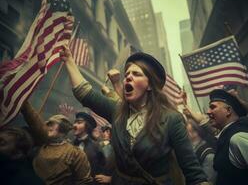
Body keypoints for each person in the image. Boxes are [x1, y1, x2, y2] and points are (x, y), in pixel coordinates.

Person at [61, 46, 208, 185]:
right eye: (127, 75)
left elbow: (193, 172)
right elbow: (84, 93)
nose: (128, 78)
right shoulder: (117, 111)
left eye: (136, 74)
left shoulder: (171, 119)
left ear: (149, 86)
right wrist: (69, 60)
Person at [21, 102, 93, 185]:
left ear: (63, 128)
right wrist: (24, 103)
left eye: (51, 124)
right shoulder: (41, 146)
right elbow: (34, 121)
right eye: (47, 124)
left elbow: (84, 181)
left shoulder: (75, 153)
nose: (48, 127)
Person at [207, 89, 248, 185]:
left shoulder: (239, 138)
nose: (208, 112)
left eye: (213, 107)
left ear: (228, 110)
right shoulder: (227, 137)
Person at [73, 112, 106, 184]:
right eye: (75, 122)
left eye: (79, 123)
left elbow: (102, 168)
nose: (74, 125)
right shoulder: (71, 144)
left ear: (87, 126)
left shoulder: (96, 147)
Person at [186, 120, 216, 184]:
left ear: (196, 132)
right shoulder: (191, 150)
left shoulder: (208, 155)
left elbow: (209, 181)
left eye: (186, 132)